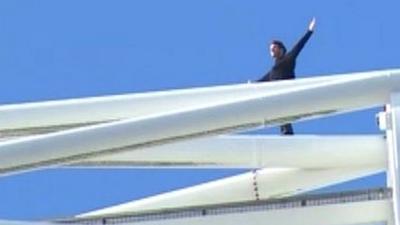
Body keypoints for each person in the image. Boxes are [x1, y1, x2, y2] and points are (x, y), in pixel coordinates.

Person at [258, 18, 316, 135]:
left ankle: (287, 132)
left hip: (286, 94)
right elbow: (264, 79)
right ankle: (286, 133)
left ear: (281, 49)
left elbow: (298, 46)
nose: (272, 51)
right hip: (279, 97)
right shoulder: (274, 71)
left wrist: (309, 31)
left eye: (274, 48)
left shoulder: (288, 59)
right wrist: (251, 85)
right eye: (270, 50)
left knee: (282, 113)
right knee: (280, 114)